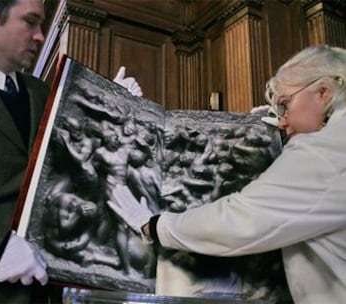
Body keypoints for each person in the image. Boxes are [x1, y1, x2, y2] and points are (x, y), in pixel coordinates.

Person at [0, 0, 141, 302]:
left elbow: (74, 161)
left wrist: (115, 108)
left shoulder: (43, 92)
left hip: (50, 291)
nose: (41, 36)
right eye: (30, 22)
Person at [107, 45, 346, 303]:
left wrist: (153, 225)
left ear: (323, 92)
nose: (283, 120)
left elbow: (241, 219)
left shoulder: (324, 150)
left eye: (285, 105)